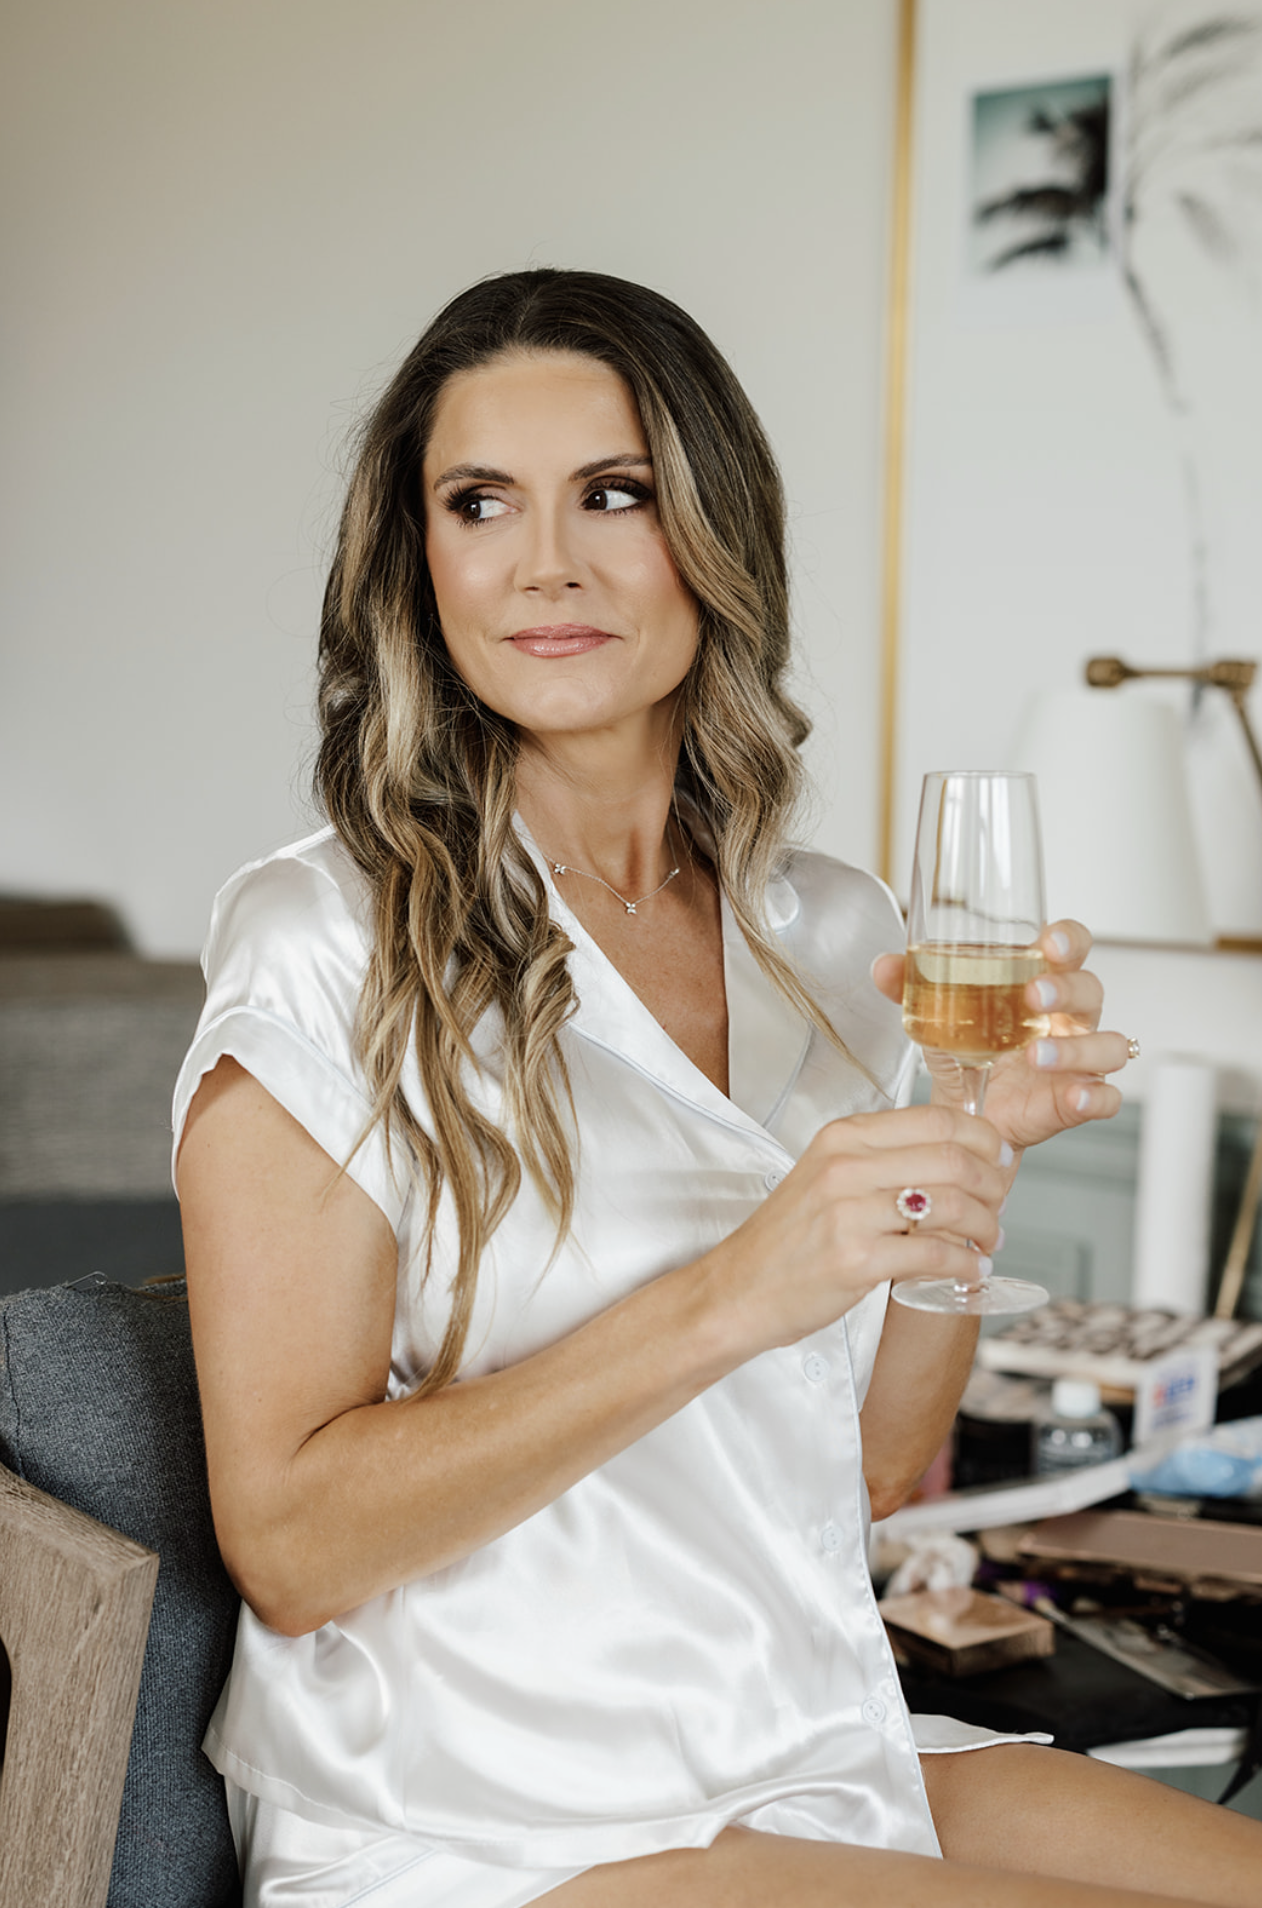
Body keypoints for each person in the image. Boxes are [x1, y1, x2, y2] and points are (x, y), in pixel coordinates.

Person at [174, 269, 1261, 1908]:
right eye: (481, 503)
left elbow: (870, 1471)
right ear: (418, 558)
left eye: (613, 494)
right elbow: (293, 1548)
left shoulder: (833, 931)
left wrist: (972, 1149)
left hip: (804, 1747)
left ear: (712, 532)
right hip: (483, 1817)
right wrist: (739, 1286)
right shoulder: (326, 939)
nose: (545, 562)